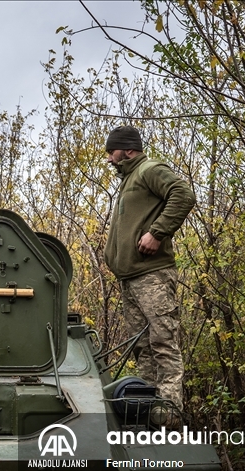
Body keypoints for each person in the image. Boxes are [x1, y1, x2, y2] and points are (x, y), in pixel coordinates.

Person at [103, 125, 196, 413]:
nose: (108, 159)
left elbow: (183, 194)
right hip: (131, 278)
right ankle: (147, 412)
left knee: (163, 343)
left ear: (128, 150)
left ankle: (168, 413)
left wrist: (157, 233)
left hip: (152, 275)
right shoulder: (130, 178)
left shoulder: (148, 169)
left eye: (111, 152)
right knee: (143, 348)